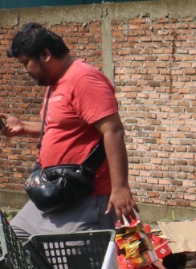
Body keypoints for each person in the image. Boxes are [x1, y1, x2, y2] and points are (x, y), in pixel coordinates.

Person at [4, 23, 137, 234]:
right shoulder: (56, 82)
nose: (25, 70)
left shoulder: (83, 79)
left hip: (84, 195)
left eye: (26, 62)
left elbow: (113, 130)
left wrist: (120, 188)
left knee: (61, 261)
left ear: (46, 54)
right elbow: (61, 126)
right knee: (14, 239)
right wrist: (23, 126)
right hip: (54, 189)